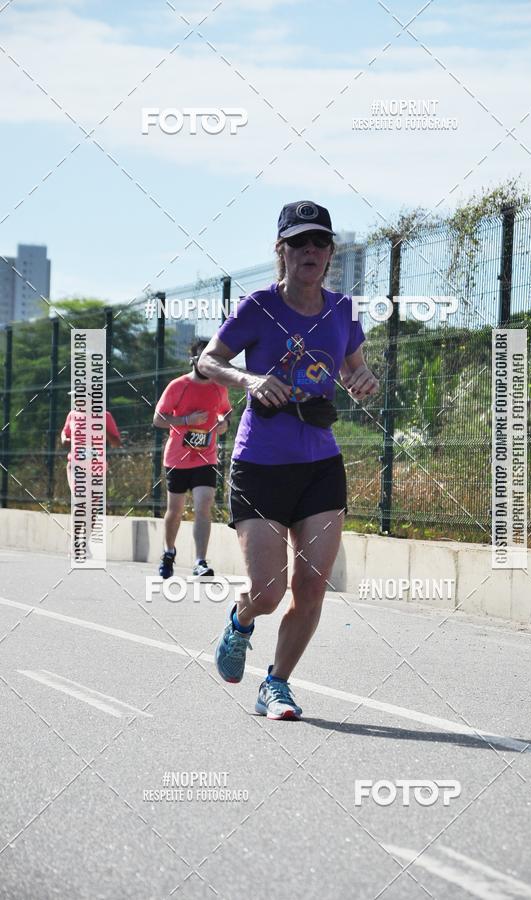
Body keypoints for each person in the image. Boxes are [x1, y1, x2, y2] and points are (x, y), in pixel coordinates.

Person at [198, 200, 379, 720]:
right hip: (261, 464)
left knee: (312, 587)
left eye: (320, 242)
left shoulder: (342, 309)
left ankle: (276, 683)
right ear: (281, 250)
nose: (311, 251)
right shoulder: (257, 306)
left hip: (321, 464)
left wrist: (363, 381)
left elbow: (355, 369)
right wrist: (249, 379)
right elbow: (209, 361)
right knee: (270, 590)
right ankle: (240, 619)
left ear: (330, 253)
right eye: (299, 242)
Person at [153, 338, 231, 579]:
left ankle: (200, 561)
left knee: (203, 506)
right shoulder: (179, 386)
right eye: (201, 357)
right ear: (193, 360)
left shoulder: (219, 387)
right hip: (177, 458)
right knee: (175, 510)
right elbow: (158, 419)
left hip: (206, 458)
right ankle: (169, 551)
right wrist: (186, 421)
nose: (206, 362)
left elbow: (226, 416)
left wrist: (222, 426)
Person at [61, 404, 122, 492]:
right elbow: (64, 432)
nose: (75, 399)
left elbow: (117, 443)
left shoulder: (105, 416)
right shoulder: (72, 415)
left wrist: (102, 430)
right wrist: (64, 439)